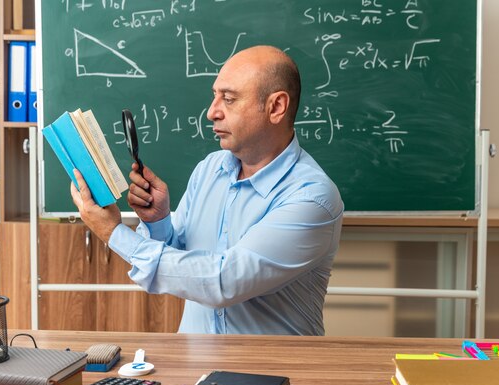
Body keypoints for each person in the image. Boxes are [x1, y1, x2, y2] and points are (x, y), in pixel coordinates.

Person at [71, 45, 344, 335]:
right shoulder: (210, 169)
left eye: (228, 99)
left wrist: (113, 233)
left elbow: (222, 281)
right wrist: (158, 221)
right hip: (198, 367)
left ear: (276, 107)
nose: (212, 112)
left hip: (273, 373)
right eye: (215, 97)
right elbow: (182, 267)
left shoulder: (312, 198)